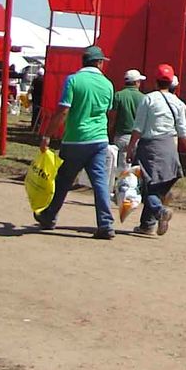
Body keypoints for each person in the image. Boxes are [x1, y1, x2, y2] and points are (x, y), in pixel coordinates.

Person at [34, 45, 117, 239]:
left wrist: (47, 135)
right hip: (99, 140)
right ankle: (105, 224)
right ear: (99, 63)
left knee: (63, 181)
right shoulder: (108, 84)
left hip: (75, 140)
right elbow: (110, 112)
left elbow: (63, 110)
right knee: (100, 183)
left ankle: (49, 215)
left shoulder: (73, 80)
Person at [124, 64, 186, 237]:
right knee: (157, 189)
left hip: (150, 149)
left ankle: (159, 211)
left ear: (155, 81)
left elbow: (138, 128)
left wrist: (131, 148)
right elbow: (183, 131)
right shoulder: (178, 103)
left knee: (146, 188)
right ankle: (147, 225)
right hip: (170, 150)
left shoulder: (148, 99)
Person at [111, 69, 147, 173]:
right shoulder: (144, 98)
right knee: (137, 170)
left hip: (121, 137)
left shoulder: (118, 96)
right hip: (139, 138)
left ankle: (121, 187)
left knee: (123, 170)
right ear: (136, 82)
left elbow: (112, 118)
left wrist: (110, 134)